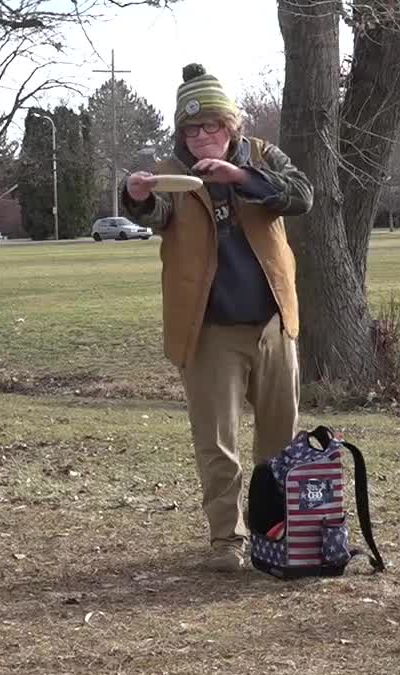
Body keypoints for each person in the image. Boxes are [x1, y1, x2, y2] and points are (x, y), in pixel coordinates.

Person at [121, 63, 314, 572]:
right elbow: (158, 214)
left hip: (273, 322)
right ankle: (227, 540)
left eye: (212, 126)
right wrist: (137, 197)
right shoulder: (172, 172)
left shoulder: (261, 157)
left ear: (231, 125)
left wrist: (240, 177)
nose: (202, 137)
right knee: (217, 443)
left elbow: (301, 195)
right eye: (191, 129)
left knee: (279, 441)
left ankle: (277, 532)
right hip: (207, 330)